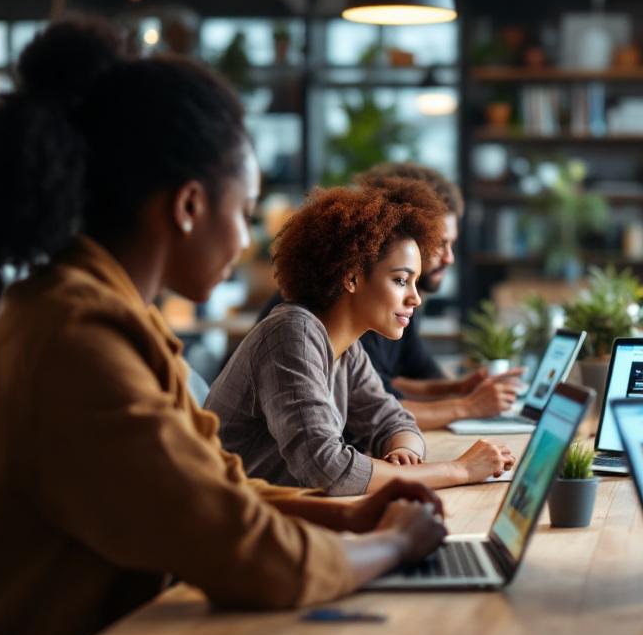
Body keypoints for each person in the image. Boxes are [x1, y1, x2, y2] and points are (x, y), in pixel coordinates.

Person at [0, 20, 446, 635]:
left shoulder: (109, 315)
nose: (244, 242)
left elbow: (215, 490)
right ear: (187, 206)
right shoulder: (75, 336)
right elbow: (241, 552)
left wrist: (354, 523)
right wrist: (391, 548)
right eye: (242, 212)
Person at [206, 181, 517, 496]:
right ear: (352, 276)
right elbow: (326, 468)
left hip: (280, 517)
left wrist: (405, 453)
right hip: (228, 530)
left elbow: (393, 418)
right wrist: (460, 469)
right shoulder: (293, 335)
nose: (415, 299)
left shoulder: (346, 348)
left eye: (415, 282)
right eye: (400, 280)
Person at [259, 162, 524, 429]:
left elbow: (386, 393)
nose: (449, 258)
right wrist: (467, 407)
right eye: (440, 243)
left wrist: (460, 389)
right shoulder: (342, 309)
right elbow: (358, 419)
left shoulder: (390, 310)